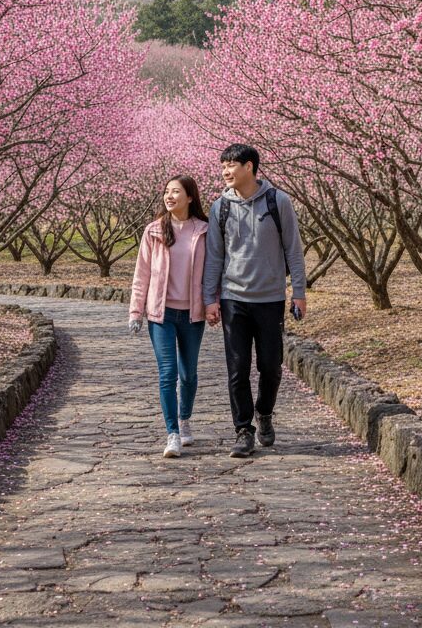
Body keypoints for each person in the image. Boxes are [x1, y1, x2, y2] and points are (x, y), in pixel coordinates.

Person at [202, 144, 307, 458]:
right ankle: (243, 430)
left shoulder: (278, 202)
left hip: (270, 298)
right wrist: (211, 298)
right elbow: (214, 258)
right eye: (223, 165)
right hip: (234, 298)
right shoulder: (220, 207)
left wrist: (298, 292)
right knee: (237, 368)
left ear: (249, 166)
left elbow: (293, 250)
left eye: (231, 164)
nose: (225, 171)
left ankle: (264, 412)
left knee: (270, 367)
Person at [129, 175, 209, 458]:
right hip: (160, 314)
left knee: (188, 375)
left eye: (176, 191)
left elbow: (212, 273)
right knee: (167, 373)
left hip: (192, 314)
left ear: (190, 197)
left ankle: (185, 420)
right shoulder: (153, 231)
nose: (169, 196)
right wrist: (136, 311)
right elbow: (142, 274)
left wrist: (213, 304)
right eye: (166, 191)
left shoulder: (204, 231)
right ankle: (172, 433)